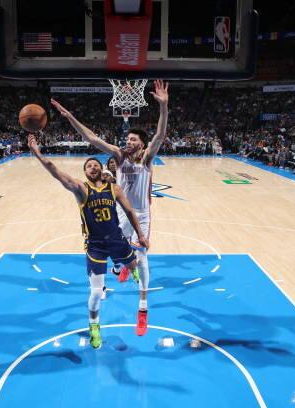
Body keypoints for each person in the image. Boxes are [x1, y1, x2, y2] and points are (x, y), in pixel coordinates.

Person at [51, 79, 168, 336]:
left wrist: (163, 107)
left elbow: (160, 135)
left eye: (133, 138)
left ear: (142, 144)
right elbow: (90, 137)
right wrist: (69, 116)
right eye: (127, 137)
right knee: (118, 252)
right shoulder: (118, 155)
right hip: (119, 214)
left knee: (143, 257)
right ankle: (121, 266)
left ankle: (143, 307)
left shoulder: (148, 158)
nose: (128, 141)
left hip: (141, 215)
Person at [28, 135, 149, 349]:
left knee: (134, 266)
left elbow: (130, 212)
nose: (92, 167)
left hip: (117, 239)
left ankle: (131, 270)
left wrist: (140, 234)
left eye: (96, 165)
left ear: (102, 169)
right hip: (95, 246)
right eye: (88, 166)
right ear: (85, 172)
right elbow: (54, 170)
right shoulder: (80, 189)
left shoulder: (114, 189)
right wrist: (37, 152)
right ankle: (94, 325)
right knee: (95, 292)